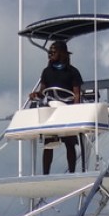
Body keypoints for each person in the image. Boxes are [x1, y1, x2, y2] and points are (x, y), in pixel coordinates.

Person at [28, 41, 83, 174]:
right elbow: (43, 92)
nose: (50, 55)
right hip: (52, 109)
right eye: (49, 53)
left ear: (62, 53)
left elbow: (76, 94)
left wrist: (75, 111)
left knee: (69, 142)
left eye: (53, 52)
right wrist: (36, 94)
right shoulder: (47, 72)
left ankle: (72, 172)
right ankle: (45, 173)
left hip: (67, 108)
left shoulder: (73, 72)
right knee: (48, 143)